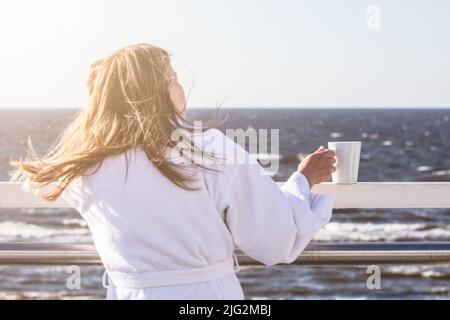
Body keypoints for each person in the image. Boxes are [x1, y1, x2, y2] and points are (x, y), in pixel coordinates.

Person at [9, 43, 336, 300]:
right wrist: (302, 181)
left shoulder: (83, 164)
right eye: (172, 78)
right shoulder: (206, 147)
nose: (178, 85)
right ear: (160, 92)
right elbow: (274, 242)